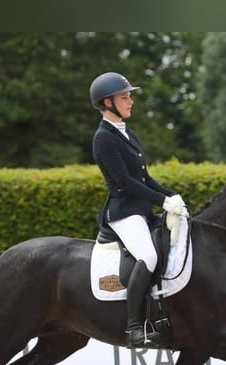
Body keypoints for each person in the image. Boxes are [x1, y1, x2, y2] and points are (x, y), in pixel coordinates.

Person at [89, 71, 188, 348]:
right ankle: (134, 328)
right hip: (123, 212)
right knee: (148, 255)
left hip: (141, 209)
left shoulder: (128, 134)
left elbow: (144, 178)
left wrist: (171, 195)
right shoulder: (103, 138)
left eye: (129, 96)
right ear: (107, 103)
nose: (130, 101)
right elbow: (124, 182)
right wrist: (161, 202)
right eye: (125, 97)